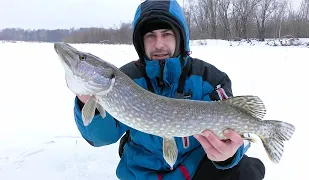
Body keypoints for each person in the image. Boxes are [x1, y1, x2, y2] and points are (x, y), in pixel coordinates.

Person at [73, 0, 265, 179]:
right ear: (141, 42)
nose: (158, 44)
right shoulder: (126, 80)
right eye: (150, 36)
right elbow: (101, 138)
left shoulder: (210, 78)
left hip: (196, 166)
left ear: (180, 37)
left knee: (246, 170)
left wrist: (228, 155)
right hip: (142, 171)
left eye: (166, 34)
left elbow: (241, 135)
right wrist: (85, 102)